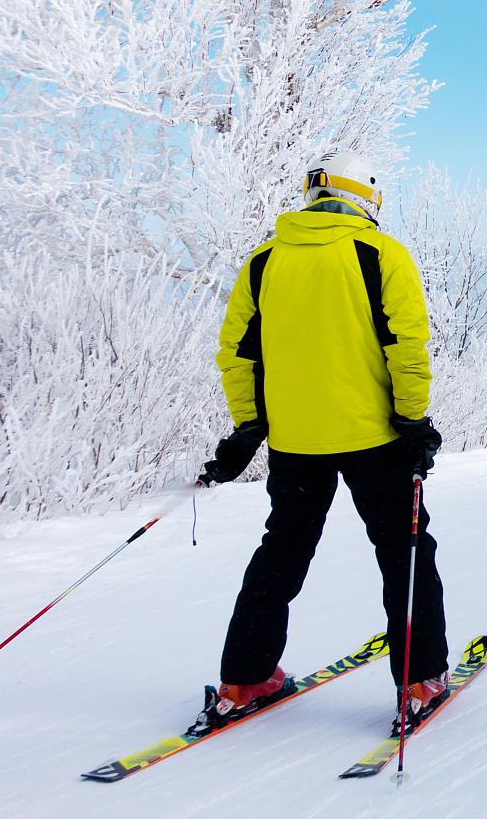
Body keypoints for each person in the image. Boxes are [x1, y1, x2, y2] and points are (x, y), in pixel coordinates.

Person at [196, 150, 448, 734]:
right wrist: (413, 422)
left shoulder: (263, 260)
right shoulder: (380, 253)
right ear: (365, 196)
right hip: (375, 439)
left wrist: (249, 425)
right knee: (405, 552)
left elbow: (238, 354)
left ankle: (244, 679)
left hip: (294, 443)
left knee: (281, 552)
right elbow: (405, 346)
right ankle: (419, 680)